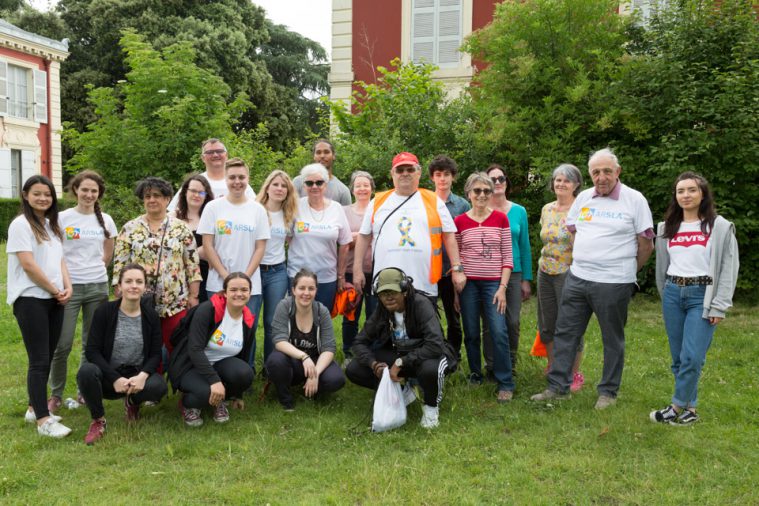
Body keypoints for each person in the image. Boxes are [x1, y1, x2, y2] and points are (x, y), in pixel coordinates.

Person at [531, 148, 654, 410]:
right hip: (578, 277)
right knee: (566, 332)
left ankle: (608, 392)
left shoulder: (634, 200)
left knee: (612, 338)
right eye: (596, 172)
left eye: (607, 171)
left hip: (613, 282)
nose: (602, 177)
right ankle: (558, 387)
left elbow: (645, 244)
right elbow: (574, 231)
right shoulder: (584, 197)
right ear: (590, 174)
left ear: (617, 172)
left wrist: (627, 270)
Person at [650, 172, 738, 425]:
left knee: (693, 356)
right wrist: (665, 293)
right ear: (675, 196)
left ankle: (675, 408)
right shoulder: (666, 228)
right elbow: (662, 266)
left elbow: (728, 267)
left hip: (702, 295)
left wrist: (719, 305)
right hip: (673, 294)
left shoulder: (719, 226)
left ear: (703, 194)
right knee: (679, 357)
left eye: (691, 190)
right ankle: (692, 410)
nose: (686, 195)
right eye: (680, 191)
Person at [345, 268, 456, 429]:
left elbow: (435, 344)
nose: (388, 297)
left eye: (393, 292)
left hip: (428, 354)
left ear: (404, 291)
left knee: (430, 370)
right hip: (401, 354)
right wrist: (373, 364)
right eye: (383, 293)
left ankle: (431, 408)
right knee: (354, 369)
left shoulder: (420, 304)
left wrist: (401, 362)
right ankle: (403, 389)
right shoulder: (382, 310)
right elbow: (360, 342)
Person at [7, 175, 73, 438]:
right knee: (39, 360)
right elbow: (28, 265)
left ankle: (34, 407)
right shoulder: (21, 225)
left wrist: (68, 287)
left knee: (48, 352)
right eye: (37, 193)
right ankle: (43, 420)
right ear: (25, 195)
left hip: (55, 298)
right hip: (31, 298)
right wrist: (55, 289)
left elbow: (60, 261)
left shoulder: (50, 225)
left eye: (47, 194)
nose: (43, 198)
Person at [352, 152, 466, 301]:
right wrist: (357, 269)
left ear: (418, 172)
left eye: (410, 169)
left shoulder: (434, 200)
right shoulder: (378, 201)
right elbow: (364, 235)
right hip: (385, 283)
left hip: (424, 284)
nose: (405, 173)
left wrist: (457, 269)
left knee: (422, 324)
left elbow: (449, 236)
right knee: (386, 324)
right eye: (400, 170)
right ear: (392, 174)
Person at [49, 170, 118, 412]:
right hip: (68, 288)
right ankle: (55, 394)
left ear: (99, 194)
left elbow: (108, 253)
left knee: (91, 344)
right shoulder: (62, 218)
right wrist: (65, 282)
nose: (89, 194)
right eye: (85, 190)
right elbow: (55, 253)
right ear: (75, 190)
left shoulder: (106, 220)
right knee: (63, 343)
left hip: (97, 287)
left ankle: (83, 390)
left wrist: (98, 268)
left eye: (94, 191)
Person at [77, 264, 168, 445]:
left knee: (158, 386)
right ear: (119, 286)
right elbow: (92, 350)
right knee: (86, 372)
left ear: (145, 287)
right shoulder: (104, 312)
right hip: (109, 376)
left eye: (139, 282)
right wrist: (114, 378)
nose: (133, 286)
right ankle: (98, 420)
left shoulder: (151, 316)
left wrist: (142, 376)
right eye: (128, 281)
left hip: (135, 376)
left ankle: (132, 402)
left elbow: (155, 354)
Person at [112, 176, 201, 358]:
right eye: (147, 196)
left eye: (157, 195)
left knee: (177, 347)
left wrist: (193, 295)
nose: (151, 200)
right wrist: (119, 290)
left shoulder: (181, 229)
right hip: (139, 301)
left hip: (175, 302)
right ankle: (151, 383)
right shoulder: (129, 228)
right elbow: (119, 264)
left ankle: (180, 383)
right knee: (144, 348)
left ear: (167, 199)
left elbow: (192, 264)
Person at [198, 158, 269, 368]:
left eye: (241, 177)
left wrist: (244, 278)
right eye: (232, 177)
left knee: (246, 332)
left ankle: (243, 375)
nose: (237, 182)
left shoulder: (257, 210)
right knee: (217, 332)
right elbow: (207, 245)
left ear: (248, 178)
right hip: (217, 283)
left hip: (251, 285)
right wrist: (226, 276)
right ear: (226, 179)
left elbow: (260, 247)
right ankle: (213, 375)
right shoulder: (213, 207)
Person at [454, 173, 515, 402]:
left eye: (486, 191)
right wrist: (457, 291)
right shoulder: (460, 222)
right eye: (477, 191)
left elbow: (507, 257)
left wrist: (502, 287)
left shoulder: (500, 219)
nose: (481, 195)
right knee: (470, 332)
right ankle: (475, 374)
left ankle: (505, 381)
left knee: (498, 331)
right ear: (468, 193)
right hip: (468, 284)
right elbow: (457, 258)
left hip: (493, 284)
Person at [169, 272, 256, 427]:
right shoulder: (208, 310)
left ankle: (219, 400)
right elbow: (194, 349)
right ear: (225, 293)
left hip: (220, 365)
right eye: (234, 290)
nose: (239, 294)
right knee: (205, 392)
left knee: (245, 374)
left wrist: (238, 395)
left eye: (244, 290)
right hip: (190, 365)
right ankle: (188, 403)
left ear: (250, 293)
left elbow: (243, 356)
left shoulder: (248, 319)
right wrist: (214, 381)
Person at [265, 269, 346, 410]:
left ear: (316, 291)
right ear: (293, 290)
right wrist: (303, 356)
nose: (306, 293)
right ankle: (285, 399)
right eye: (301, 288)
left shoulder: (322, 311)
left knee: (336, 379)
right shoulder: (284, 306)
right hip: (291, 360)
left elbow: (329, 348)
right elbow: (278, 340)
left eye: (311, 288)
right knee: (275, 361)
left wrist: (315, 374)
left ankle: (310, 389)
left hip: (315, 360)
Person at [537, 164, 586, 392]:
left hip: (570, 272)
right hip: (545, 271)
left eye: (566, 181)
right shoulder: (547, 209)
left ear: (576, 184)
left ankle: (573, 373)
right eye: (558, 180)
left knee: (571, 324)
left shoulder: (582, 208)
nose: (561, 184)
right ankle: (553, 367)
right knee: (547, 323)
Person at [486, 163, 532, 375]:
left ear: (506, 182)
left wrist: (526, 279)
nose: (497, 182)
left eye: (501, 179)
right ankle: (492, 365)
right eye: (493, 179)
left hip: (514, 273)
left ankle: (510, 364)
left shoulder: (519, 211)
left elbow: (524, 245)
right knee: (489, 321)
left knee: (512, 321)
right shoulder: (482, 211)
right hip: (488, 272)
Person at [287, 163, 352, 311]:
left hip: (326, 277)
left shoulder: (336, 208)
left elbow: (345, 243)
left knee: (322, 320)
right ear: (304, 186)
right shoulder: (295, 206)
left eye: (319, 182)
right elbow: (288, 236)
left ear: (326, 185)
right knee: (296, 318)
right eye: (309, 183)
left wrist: (341, 275)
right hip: (297, 275)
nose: (314, 186)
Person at [429, 155, 470, 361]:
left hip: (451, 269)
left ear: (453, 177)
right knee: (429, 316)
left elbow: (465, 240)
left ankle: (454, 356)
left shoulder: (462, 205)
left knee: (454, 315)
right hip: (429, 269)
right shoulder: (425, 202)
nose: (442, 179)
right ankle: (435, 353)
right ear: (432, 178)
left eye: (446, 174)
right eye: (438, 175)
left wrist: (459, 269)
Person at [256, 170, 298, 362]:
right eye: (276, 184)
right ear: (267, 187)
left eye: (284, 186)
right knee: (249, 320)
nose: (279, 189)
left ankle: (270, 366)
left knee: (273, 321)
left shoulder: (288, 214)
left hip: (277, 272)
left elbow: (290, 240)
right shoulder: (255, 209)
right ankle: (246, 366)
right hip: (254, 270)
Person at [341, 170, 377, 361]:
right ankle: (348, 351)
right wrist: (362, 236)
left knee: (374, 314)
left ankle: (370, 352)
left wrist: (356, 237)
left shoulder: (378, 209)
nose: (362, 188)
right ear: (352, 189)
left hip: (375, 270)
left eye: (366, 185)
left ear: (371, 188)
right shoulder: (344, 211)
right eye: (358, 185)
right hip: (349, 270)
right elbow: (343, 241)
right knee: (351, 314)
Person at [168, 138, 254, 210]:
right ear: (202, 158)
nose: (215, 155)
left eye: (219, 151)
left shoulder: (238, 183)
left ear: (226, 155)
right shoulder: (194, 183)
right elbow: (173, 212)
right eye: (210, 152)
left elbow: (256, 210)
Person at [173, 174, 214, 304]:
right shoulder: (172, 218)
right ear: (185, 192)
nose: (196, 195)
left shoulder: (212, 218)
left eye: (201, 192)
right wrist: (198, 252)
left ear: (206, 195)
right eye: (193, 191)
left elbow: (215, 248)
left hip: (205, 276)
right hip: (177, 275)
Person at [292, 139, 351, 205]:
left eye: (326, 152)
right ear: (314, 156)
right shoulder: (298, 182)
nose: (322, 156)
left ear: (334, 156)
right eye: (318, 152)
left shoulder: (342, 190)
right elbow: (289, 210)